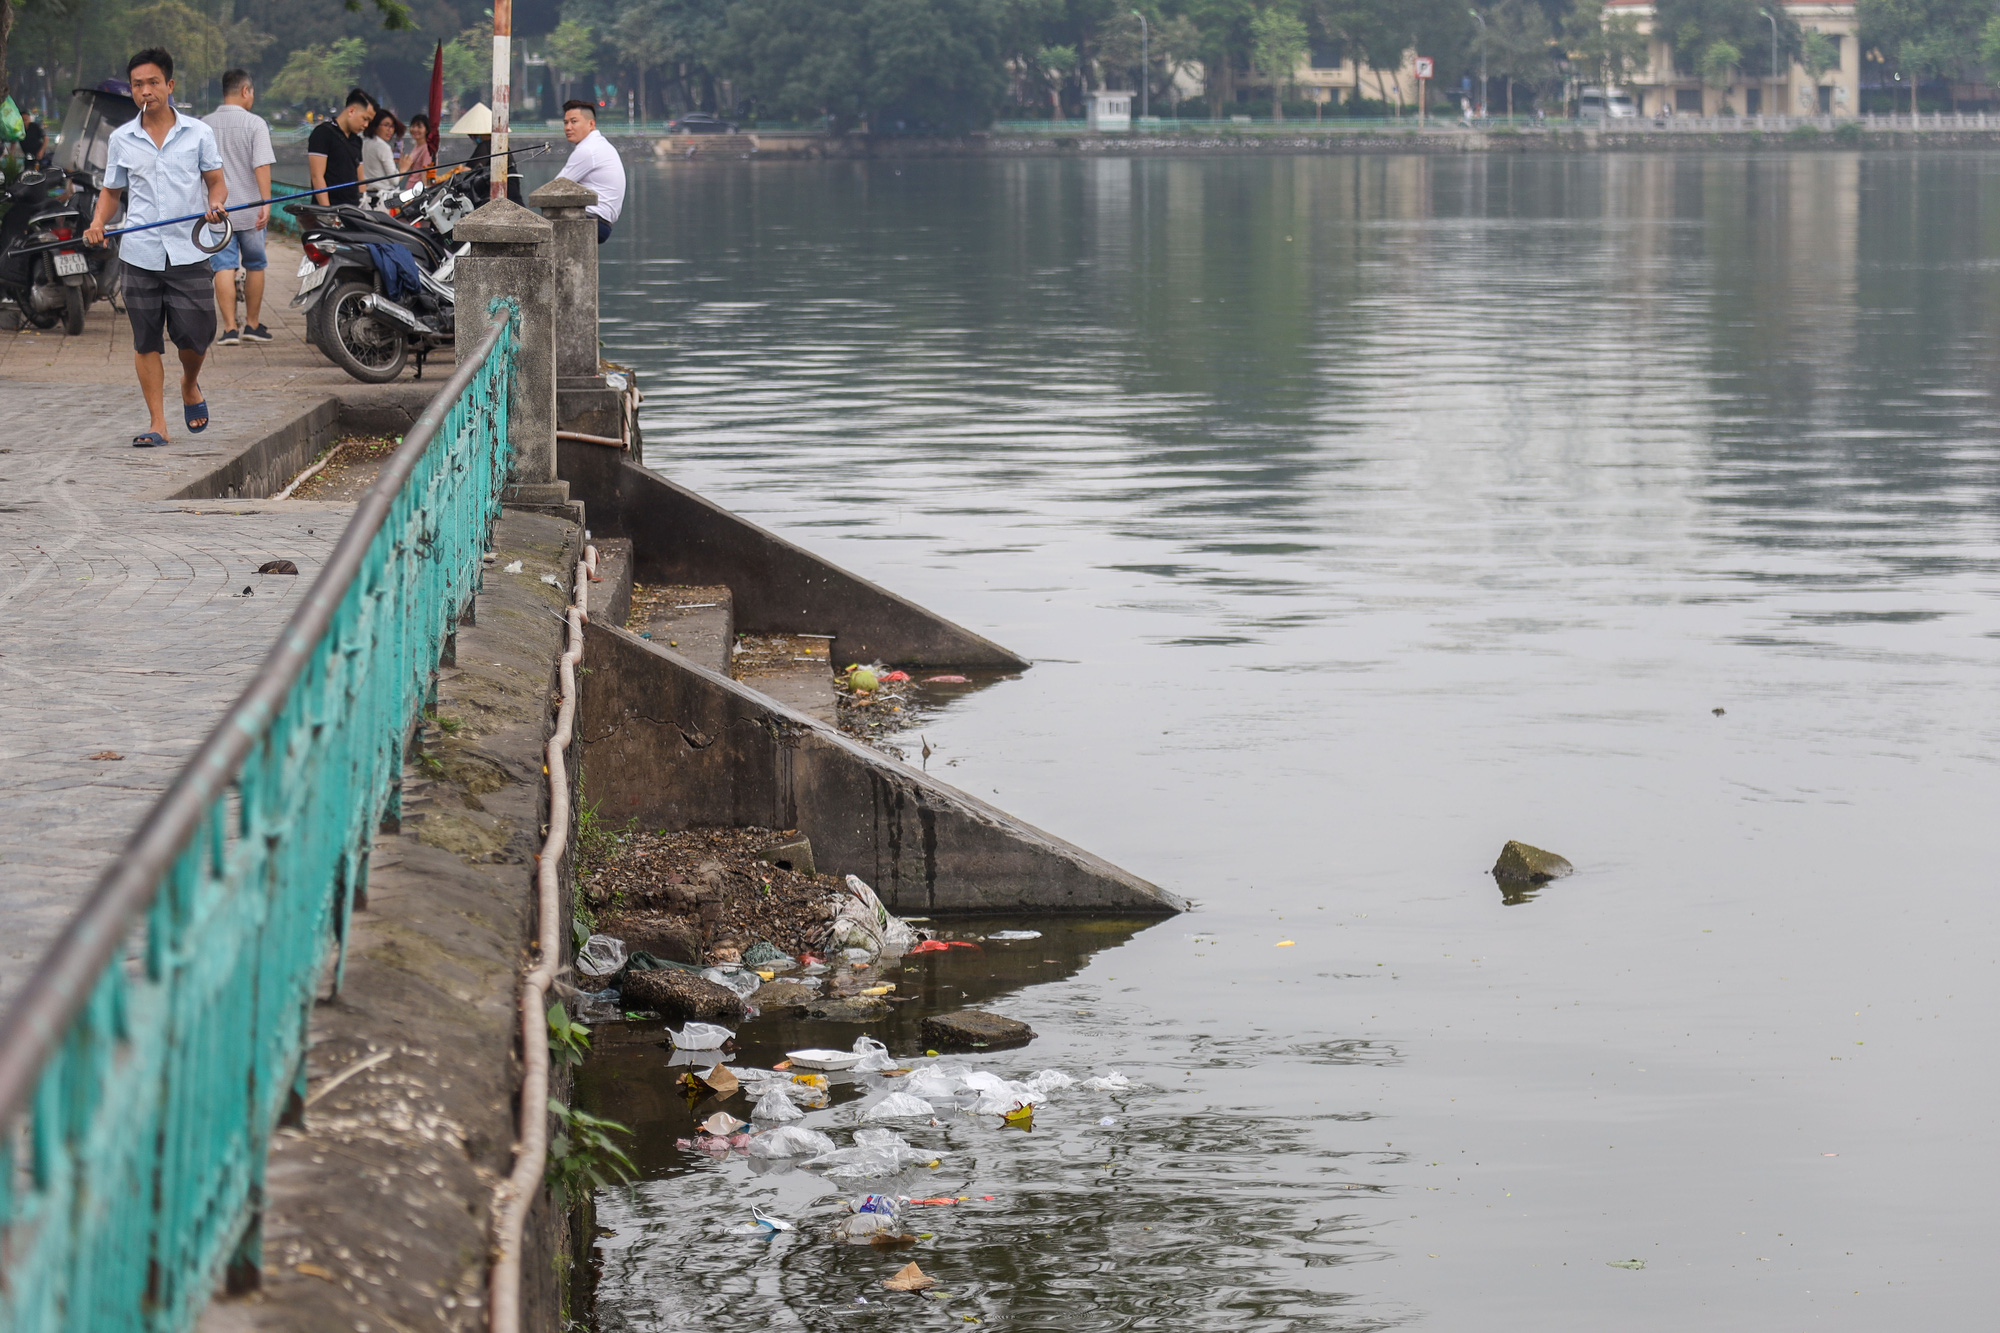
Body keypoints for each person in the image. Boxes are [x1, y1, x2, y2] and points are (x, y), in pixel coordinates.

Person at [83, 48, 227, 448]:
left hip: (190, 250)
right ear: (131, 90)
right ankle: (158, 423)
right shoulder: (121, 139)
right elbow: (112, 192)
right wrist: (98, 223)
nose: (145, 91)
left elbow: (216, 181)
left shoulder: (198, 133)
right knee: (146, 339)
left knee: (196, 338)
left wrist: (216, 204)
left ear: (169, 86)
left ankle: (190, 383)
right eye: (137, 85)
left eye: (152, 83)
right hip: (140, 252)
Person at [204, 67, 274, 346]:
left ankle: (230, 329)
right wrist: (266, 203)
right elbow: (262, 165)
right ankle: (253, 325)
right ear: (245, 91)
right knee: (255, 264)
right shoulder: (255, 123)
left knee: (223, 266)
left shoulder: (203, 124)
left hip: (217, 211)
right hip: (251, 211)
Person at [555, 98, 625, 244]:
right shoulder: (600, 144)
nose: (568, 127)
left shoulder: (588, 150)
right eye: (565, 122)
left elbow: (554, 188)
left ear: (591, 124)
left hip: (592, 220)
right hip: (603, 223)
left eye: (574, 122)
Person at [308, 87, 374, 206]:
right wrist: (327, 211)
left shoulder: (357, 140)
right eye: (365, 119)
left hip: (352, 210)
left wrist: (363, 202)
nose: (366, 125)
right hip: (329, 210)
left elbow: (360, 178)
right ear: (351, 111)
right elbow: (317, 176)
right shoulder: (322, 133)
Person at [361, 107, 401, 204]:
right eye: (386, 125)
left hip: (366, 196)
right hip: (382, 198)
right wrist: (404, 168)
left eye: (392, 126)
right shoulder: (383, 147)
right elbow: (394, 180)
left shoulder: (363, 142)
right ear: (375, 126)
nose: (390, 130)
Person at [400, 112, 434, 187]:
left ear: (427, 130)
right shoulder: (417, 146)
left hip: (418, 190)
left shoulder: (427, 149)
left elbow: (425, 173)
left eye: (419, 127)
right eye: (413, 126)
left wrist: (425, 192)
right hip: (411, 188)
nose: (415, 129)